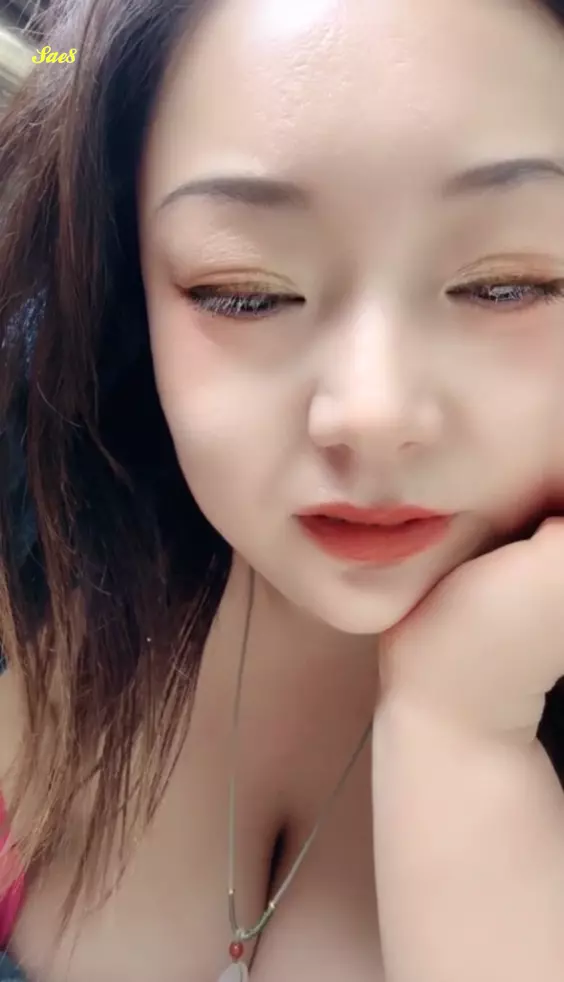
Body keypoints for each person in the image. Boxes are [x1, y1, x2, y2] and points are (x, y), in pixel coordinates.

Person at [2, 0, 564, 978]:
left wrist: (466, 736)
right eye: (244, 292)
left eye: (505, 285)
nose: (371, 411)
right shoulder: (34, 535)